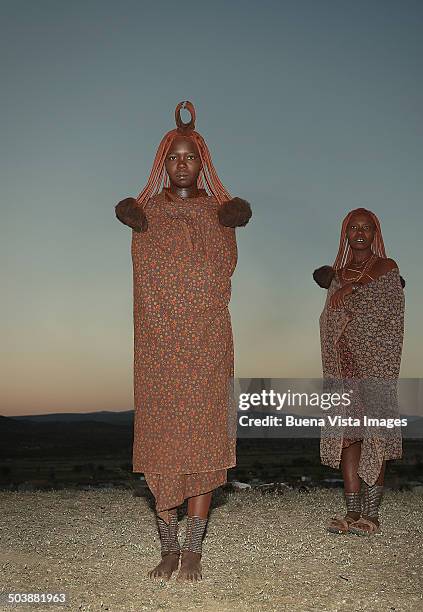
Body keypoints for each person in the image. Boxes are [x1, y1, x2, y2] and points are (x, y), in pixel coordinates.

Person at [115, 101, 251, 580]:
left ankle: (192, 550)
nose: (181, 164)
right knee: (162, 440)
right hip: (158, 346)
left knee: (204, 438)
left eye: (190, 156)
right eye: (173, 156)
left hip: (206, 342)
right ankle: (167, 548)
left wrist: (195, 301)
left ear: (203, 162)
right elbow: (147, 273)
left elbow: (220, 271)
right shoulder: (146, 213)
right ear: (161, 162)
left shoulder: (219, 213)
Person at [313, 208, 405, 535]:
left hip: (374, 365)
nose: (360, 232)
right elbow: (328, 319)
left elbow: (390, 315)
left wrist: (351, 296)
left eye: (366, 227)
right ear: (346, 234)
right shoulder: (338, 274)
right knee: (349, 438)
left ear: (375, 233)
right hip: (344, 364)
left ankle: (373, 513)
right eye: (354, 227)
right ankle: (352, 512)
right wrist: (342, 302)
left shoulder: (387, 268)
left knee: (373, 435)